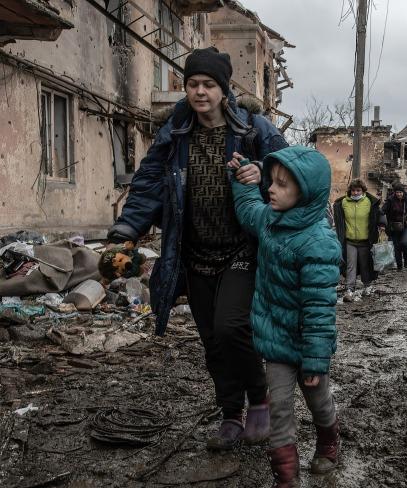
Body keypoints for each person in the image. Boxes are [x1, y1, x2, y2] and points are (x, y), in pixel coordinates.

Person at [107, 47, 288, 450]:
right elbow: (148, 184)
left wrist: (262, 177)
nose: (200, 92)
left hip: (242, 248)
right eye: (192, 84)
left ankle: (258, 399)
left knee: (231, 326)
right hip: (193, 252)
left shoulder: (255, 131)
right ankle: (230, 414)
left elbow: (292, 177)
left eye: (208, 84)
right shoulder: (174, 135)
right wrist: (126, 231)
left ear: (224, 90)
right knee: (211, 337)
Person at [229, 146, 341, 488]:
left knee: (318, 401)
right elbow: (248, 209)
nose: (271, 189)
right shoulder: (271, 220)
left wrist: (315, 360)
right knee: (279, 408)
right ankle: (286, 476)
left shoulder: (318, 243)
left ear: (305, 194)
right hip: (277, 341)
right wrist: (244, 178)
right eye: (271, 182)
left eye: (281, 185)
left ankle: (328, 442)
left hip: (308, 346)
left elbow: (320, 310)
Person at [333, 179, 386, 302]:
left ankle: (367, 286)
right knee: (350, 266)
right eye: (353, 190)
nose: (356, 193)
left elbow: (380, 214)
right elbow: (339, 219)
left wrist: (382, 224)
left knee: (365, 264)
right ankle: (350, 289)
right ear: (350, 191)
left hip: (366, 241)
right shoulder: (343, 203)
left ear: (363, 191)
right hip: (350, 240)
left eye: (358, 190)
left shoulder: (369, 202)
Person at [381, 182, 407, 270]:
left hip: (405, 225)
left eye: (400, 192)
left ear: (403, 192)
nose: (399, 194)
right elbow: (382, 211)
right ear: (394, 192)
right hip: (393, 226)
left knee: (404, 242)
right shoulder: (390, 200)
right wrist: (382, 223)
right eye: (397, 192)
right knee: (396, 246)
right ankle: (399, 266)